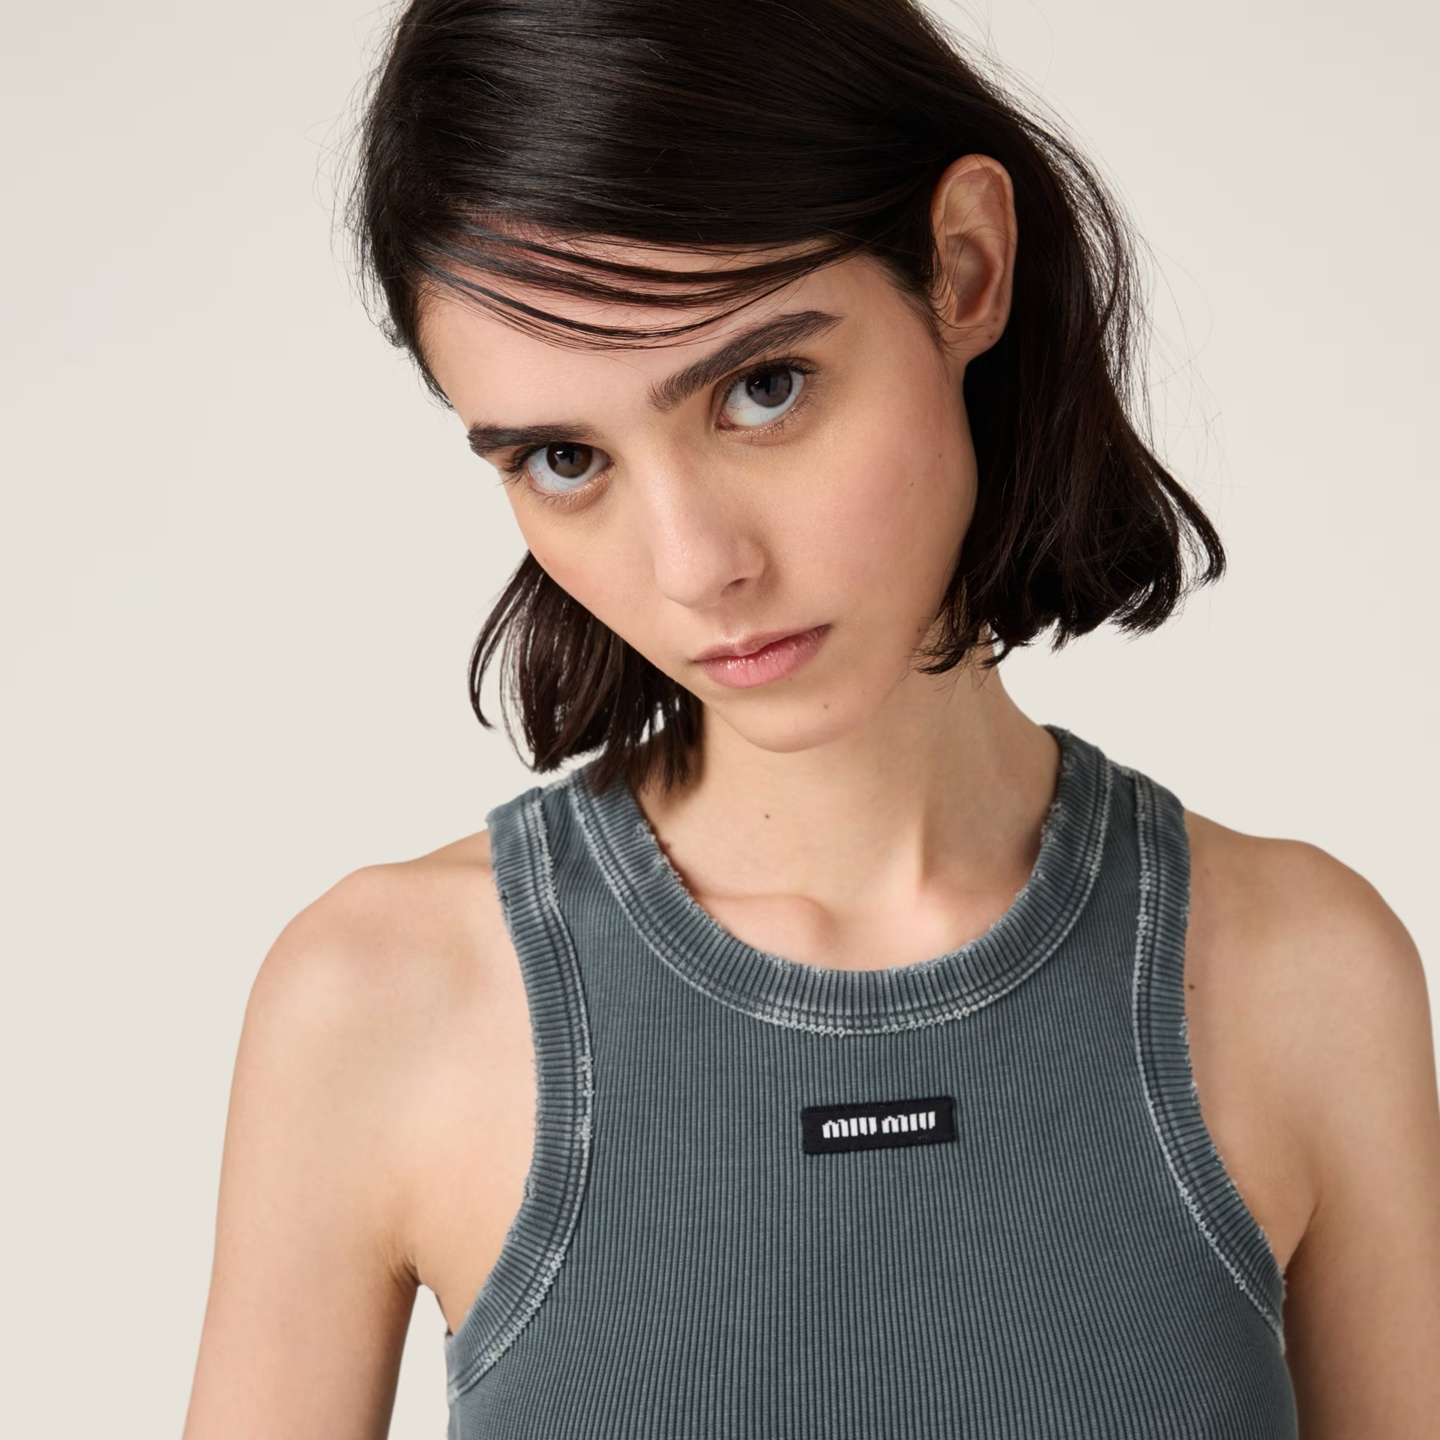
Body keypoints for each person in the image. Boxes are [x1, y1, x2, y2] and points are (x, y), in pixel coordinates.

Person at [182, 1, 1440, 1436]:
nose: (695, 565)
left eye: (762, 389)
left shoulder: (1305, 979)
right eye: (565, 459)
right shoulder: (378, 1002)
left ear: (965, 266)